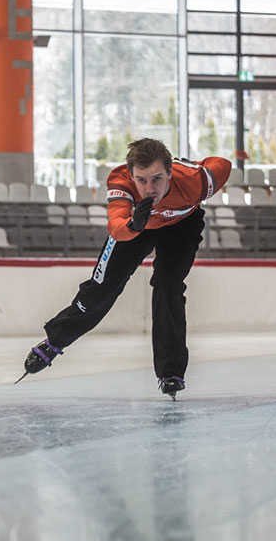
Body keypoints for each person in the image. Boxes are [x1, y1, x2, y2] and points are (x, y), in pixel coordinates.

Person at [18, 138, 231, 398]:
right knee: (102, 288)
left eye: (157, 179)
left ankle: (171, 371)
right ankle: (55, 341)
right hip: (135, 226)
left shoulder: (195, 181)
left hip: (182, 225)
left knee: (169, 287)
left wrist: (191, 164)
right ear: (131, 175)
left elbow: (223, 164)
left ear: (170, 173)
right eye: (141, 180)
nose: (150, 188)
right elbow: (116, 225)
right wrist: (133, 225)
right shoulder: (120, 182)